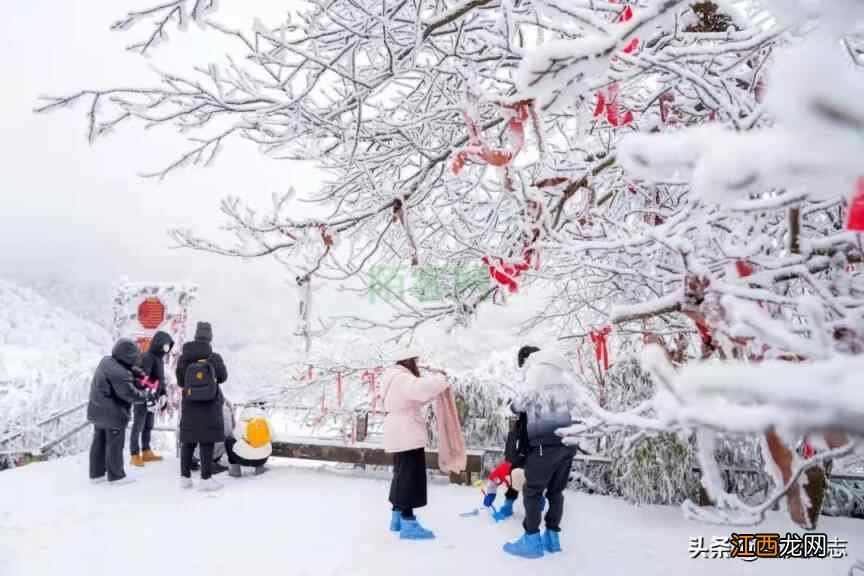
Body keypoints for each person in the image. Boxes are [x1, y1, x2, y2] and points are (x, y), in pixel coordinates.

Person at [503, 345, 578, 559]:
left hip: (546, 444)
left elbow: (521, 403)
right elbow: (573, 403)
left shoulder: (537, 372)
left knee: (532, 491)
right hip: (568, 442)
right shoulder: (562, 375)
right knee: (556, 492)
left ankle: (531, 540)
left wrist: (514, 406)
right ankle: (552, 538)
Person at [382, 347, 450, 540]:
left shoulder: (392, 376)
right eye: (415, 360)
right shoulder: (403, 378)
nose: (417, 364)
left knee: (401, 474)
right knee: (410, 477)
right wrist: (441, 381)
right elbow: (421, 389)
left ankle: (397, 516)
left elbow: (416, 395)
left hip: (398, 429)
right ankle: (408, 522)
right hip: (407, 431)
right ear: (408, 361)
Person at [87, 339, 154, 484]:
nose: (136, 360)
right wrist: (147, 395)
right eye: (134, 357)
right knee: (115, 445)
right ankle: (116, 476)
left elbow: (127, 369)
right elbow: (130, 394)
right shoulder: (120, 374)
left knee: (99, 442)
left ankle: (96, 474)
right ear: (128, 356)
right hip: (112, 415)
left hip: (97, 411)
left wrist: (140, 375)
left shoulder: (107, 361)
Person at [175, 321, 228, 491]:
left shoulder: (184, 358)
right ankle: (205, 479)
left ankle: (185, 478)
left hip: (190, 404)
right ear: (210, 337)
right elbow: (223, 377)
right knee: (207, 440)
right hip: (210, 404)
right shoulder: (214, 357)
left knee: (188, 440)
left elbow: (181, 381)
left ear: (196, 335)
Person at [130, 331, 174, 467]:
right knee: (138, 425)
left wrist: (163, 394)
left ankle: (146, 450)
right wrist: (149, 393)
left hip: (152, 398)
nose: (167, 348)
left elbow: (160, 380)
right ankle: (134, 454)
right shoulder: (148, 357)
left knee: (148, 425)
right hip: (143, 398)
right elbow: (143, 379)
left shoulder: (158, 359)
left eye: (168, 346)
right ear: (159, 343)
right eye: (165, 345)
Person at [482, 410, 531, 521]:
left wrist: (540, 496)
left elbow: (542, 480)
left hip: (527, 466)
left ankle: (532, 511)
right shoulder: (505, 469)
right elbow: (493, 479)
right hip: (514, 459)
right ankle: (508, 506)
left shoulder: (531, 472)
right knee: (513, 487)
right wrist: (491, 494)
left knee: (531, 492)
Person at [226, 405, 273, 477]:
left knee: (229, 440)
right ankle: (260, 468)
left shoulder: (242, 423)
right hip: (261, 459)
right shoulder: (266, 423)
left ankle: (235, 470)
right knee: (267, 440)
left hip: (242, 459)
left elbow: (235, 436)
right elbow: (273, 437)